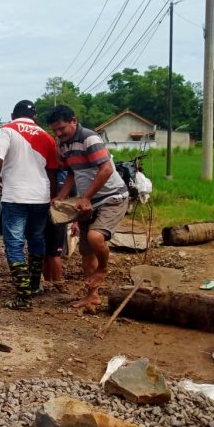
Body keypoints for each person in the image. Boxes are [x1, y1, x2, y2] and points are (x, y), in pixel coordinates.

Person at [45, 105, 129, 311]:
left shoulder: (89, 139)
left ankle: (103, 269)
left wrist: (87, 197)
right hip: (87, 201)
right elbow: (72, 174)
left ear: (74, 121)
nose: (58, 134)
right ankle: (92, 296)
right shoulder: (64, 145)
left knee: (94, 237)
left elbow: (107, 169)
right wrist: (61, 196)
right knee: (86, 251)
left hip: (112, 197)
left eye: (62, 128)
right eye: (54, 130)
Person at [0, 100, 58, 310]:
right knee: (37, 239)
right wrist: (52, 196)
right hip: (41, 197)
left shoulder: (7, 130)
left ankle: (23, 296)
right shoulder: (47, 136)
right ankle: (35, 286)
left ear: (12, 115)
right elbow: (53, 171)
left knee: (14, 243)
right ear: (35, 117)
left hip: (16, 196)